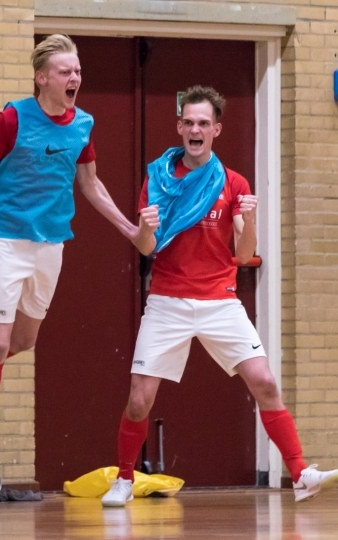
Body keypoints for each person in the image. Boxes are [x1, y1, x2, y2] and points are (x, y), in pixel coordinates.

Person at [0, 34, 141, 496]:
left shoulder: (82, 123)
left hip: (51, 245)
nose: (74, 77)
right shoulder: (12, 118)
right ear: (43, 77)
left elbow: (91, 184)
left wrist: (129, 230)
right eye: (65, 71)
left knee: (22, 340)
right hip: (7, 240)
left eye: (77, 71)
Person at [99, 85, 338, 507]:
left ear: (216, 130)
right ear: (179, 127)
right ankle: (124, 479)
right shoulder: (157, 179)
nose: (195, 129)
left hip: (220, 301)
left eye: (203, 123)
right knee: (139, 399)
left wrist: (247, 220)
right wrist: (147, 227)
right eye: (188, 122)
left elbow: (244, 254)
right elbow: (145, 248)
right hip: (168, 301)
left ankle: (300, 474)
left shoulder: (233, 183)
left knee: (264, 382)